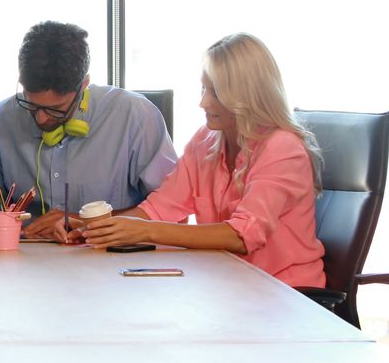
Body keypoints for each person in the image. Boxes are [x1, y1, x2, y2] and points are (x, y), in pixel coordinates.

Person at [63, 33, 326, 288]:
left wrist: (143, 230)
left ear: (246, 96)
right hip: (228, 287)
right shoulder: (206, 140)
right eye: (203, 88)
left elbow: (241, 235)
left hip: (286, 295)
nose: (203, 102)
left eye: (216, 92)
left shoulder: (282, 148)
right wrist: (95, 229)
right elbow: (158, 209)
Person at [0, 21, 177, 238]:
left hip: (109, 260)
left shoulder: (135, 116)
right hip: (26, 260)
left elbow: (174, 212)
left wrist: (83, 221)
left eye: (56, 110)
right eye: (31, 104)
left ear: (84, 85)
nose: (42, 118)